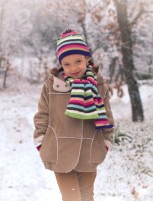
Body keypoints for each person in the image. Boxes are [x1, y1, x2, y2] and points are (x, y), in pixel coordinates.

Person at [33, 29, 114, 201]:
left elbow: (107, 116)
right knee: (72, 198)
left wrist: (105, 143)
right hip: (59, 152)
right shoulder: (52, 86)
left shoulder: (98, 86)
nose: (73, 68)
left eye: (78, 61)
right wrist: (41, 142)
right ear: (61, 64)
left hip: (90, 152)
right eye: (67, 64)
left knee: (86, 197)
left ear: (87, 59)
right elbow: (42, 116)